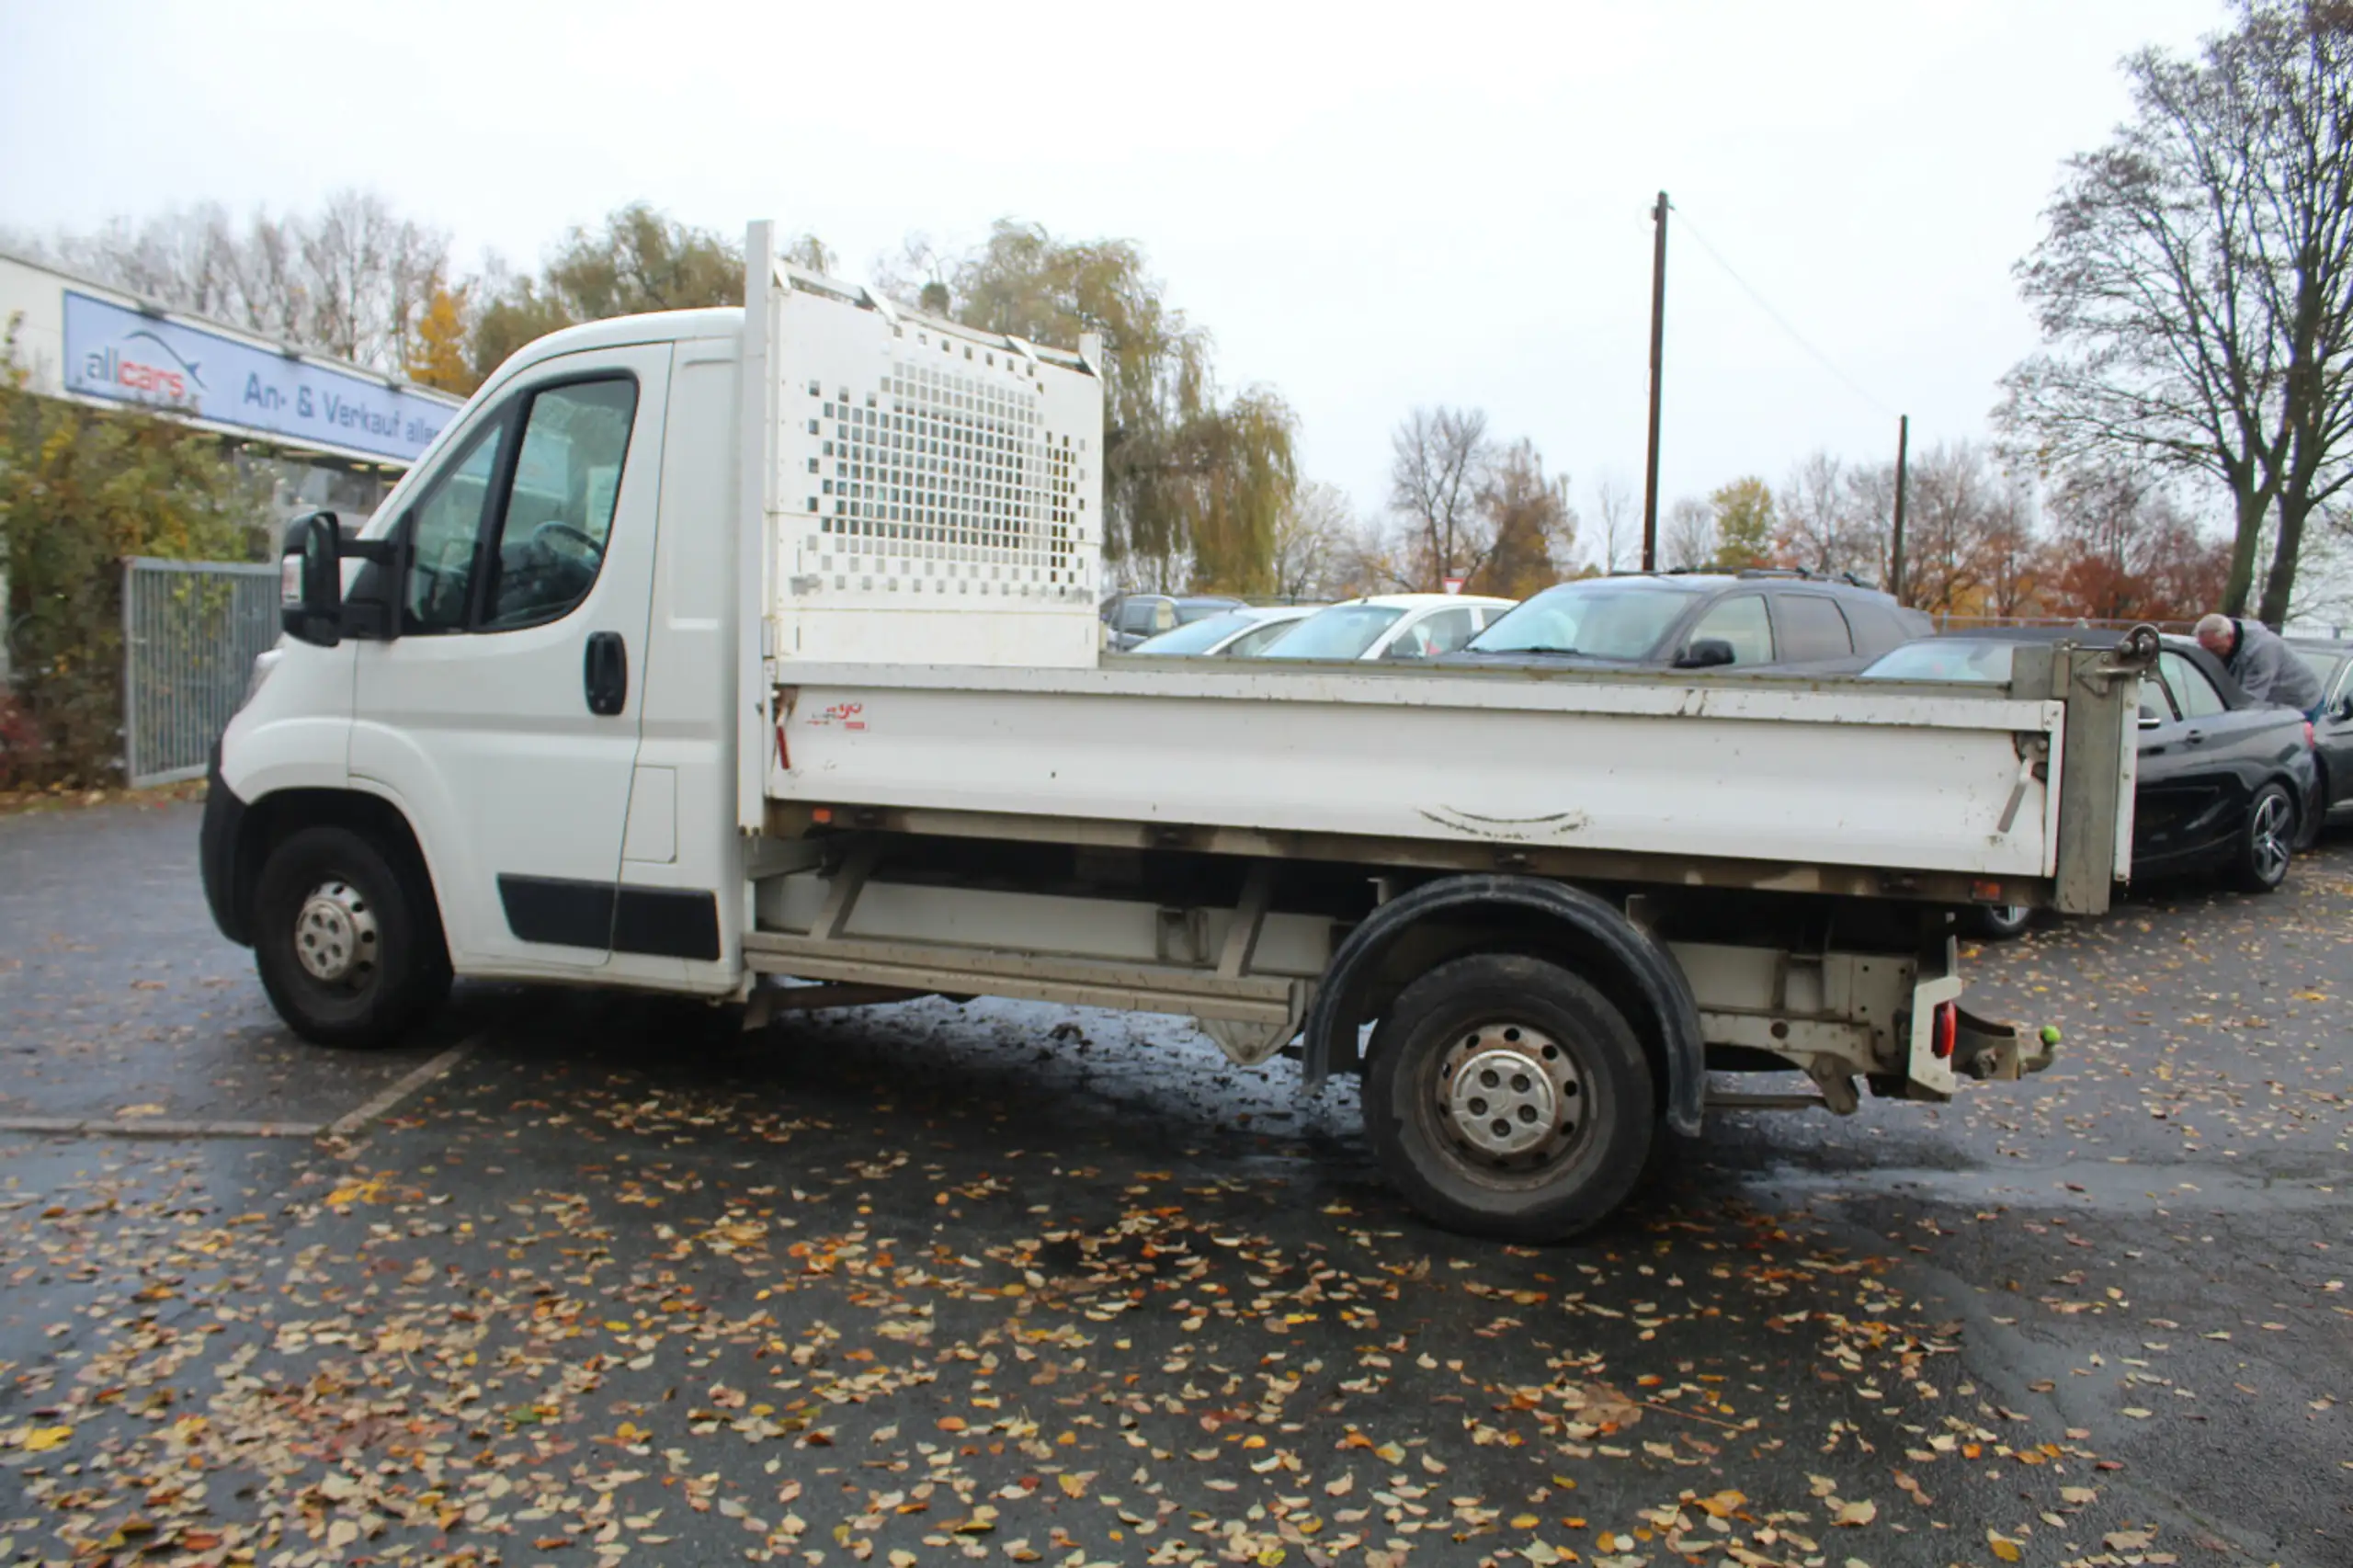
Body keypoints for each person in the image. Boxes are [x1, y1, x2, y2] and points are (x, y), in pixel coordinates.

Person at [2194, 612, 2324, 714]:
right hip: (2272, 705)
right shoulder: (2227, 646)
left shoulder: (2262, 651)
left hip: (2301, 703)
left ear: (2229, 637)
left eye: (2215, 649)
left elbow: (2250, 700)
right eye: (2206, 649)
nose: (2211, 655)